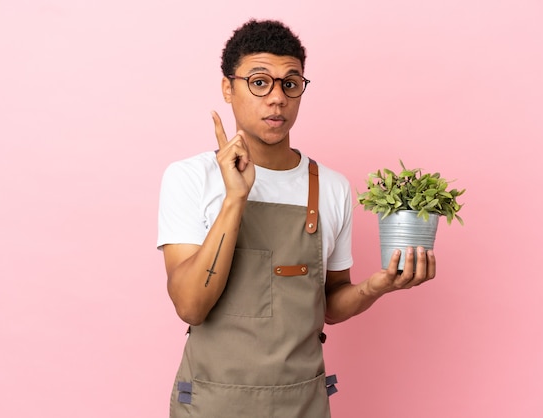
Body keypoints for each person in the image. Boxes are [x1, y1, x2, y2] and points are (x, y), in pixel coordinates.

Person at [157, 19, 436, 418]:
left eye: (290, 83)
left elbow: (330, 305)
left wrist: (375, 287)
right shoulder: (189, 178)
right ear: (227, 88)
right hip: (211, 403)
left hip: (302, 404)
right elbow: (190, 306)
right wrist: (236, 197)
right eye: (259, 82)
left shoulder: (333, 187)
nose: (277, 99)